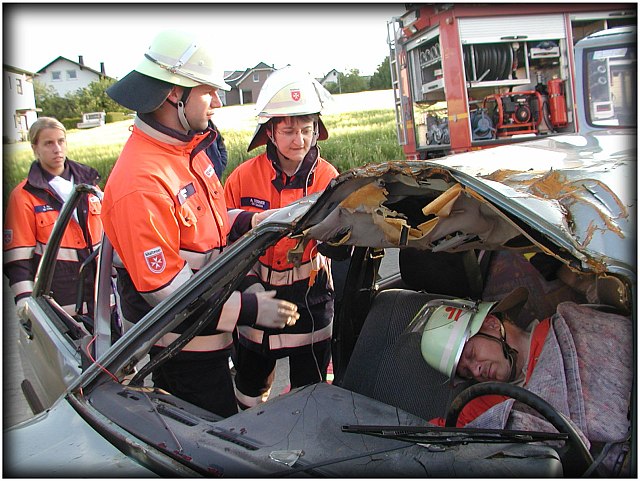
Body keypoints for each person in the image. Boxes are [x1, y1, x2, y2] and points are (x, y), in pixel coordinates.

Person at [101, 30, 298, 418]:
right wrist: (248, 308)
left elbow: (208, 234)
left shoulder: (188, 153)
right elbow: (168, 297)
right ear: (176, 94)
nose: (218, 103)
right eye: (209, 91)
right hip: (181, 357)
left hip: (213, 342)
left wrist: (256, 220)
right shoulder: (140, 183)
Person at [224, 66, 347, 409]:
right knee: (249, 387)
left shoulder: (328, 177)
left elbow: (341, 242)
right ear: (270, 132)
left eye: (307, 130)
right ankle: (250, 440)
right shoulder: (243, 178)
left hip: (311, 300)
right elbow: (221, 233)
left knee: (309, 392)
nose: (299, 140)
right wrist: (250, 291)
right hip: (258, 296)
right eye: (289, 130)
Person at [415, 286, 633, 475]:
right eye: (466, 371)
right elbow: (437, 439)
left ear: (491, 323)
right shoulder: (484, 401)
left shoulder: (569, 329)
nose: (476, 369)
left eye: (471, 353)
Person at [4, 117, 103, 319]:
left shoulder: (90, 184)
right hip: (60, 305)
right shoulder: (24, 195)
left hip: (103, 298)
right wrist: (26, 305)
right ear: (35, 148)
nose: (57, 149)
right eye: (48, 143)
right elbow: (18, 261)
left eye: (61, 141)